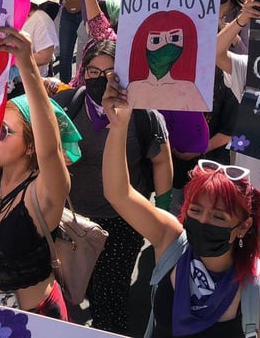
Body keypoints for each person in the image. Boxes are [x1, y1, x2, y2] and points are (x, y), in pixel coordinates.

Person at [101, 77, 260, 337]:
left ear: (243, 227)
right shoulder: (171, 242)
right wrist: (119, 126)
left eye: (219, 216)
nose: (204, 221)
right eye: (196, 210)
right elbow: (118, 194)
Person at [0, 27, 73, 332]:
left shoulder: (45, 193)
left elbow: (51, 152)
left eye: (4, 132)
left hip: (31, 322)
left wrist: (27, 66)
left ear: (30, 145)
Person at [53, 39, 172, 334]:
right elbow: (44, 151)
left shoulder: (143, 116)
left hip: (121, 225)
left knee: (109, 296)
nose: (100, 81)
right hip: (71, 220)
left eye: (110, 74)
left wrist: (164, 218)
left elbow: (161, 162)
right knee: (68, 286)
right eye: (93, 72)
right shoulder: (70, 106)